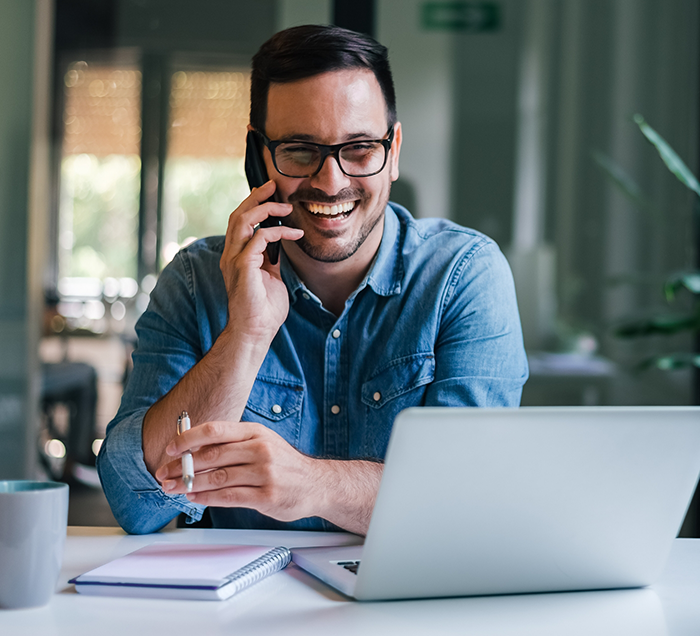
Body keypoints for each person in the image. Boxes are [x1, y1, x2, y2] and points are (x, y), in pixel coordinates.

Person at [97, 24, 528, 535]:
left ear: (393, 151)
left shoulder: (464, 276)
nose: (331, 181)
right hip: (240, 610)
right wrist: (246, 336)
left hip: (405, 607)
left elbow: (471, 499)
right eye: (300, 150)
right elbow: (135, 504)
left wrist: (312, 484)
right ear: (259, 157)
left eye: (360, 149)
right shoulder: (195, 282)